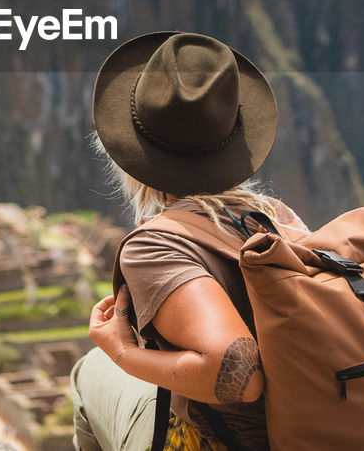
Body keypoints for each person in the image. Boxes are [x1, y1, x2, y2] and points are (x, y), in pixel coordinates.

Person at [71, 31, 303, 451]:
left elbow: (239, 372)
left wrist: (122, 353)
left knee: (89, 371)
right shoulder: (276, 216)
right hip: (308, 432)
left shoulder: (156, 246)